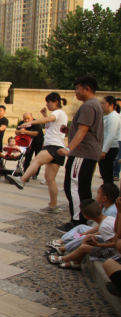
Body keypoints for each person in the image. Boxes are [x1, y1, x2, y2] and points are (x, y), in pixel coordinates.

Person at [56, 76, 104, 233]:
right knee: (82, 187)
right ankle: (86, 218)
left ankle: (77, 221)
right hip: (87, 152)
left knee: (74, 187)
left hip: (82, 153)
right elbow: (86, 131)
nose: (75, 92)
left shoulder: (89, 106)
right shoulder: (93, 105)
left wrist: (68, 148)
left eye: (77, 88)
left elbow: (83, 131)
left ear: (87, 89)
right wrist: (69, 131)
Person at [7, 93, 69, 213]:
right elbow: (51, 124)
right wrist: (45, 115)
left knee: (36, 161)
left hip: (53, 146)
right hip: (57, 148)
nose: (47, 104)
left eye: (49, 102)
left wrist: (32, 122)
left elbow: (50, 119)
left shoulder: (58, 112)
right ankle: (53, 205)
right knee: (50, 179)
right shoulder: (60, 114)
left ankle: (22, 180)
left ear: (56, 102)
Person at [47, 199, 118, 270]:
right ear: (100, 207)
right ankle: (62, 241)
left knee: (83, 245)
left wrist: (98, 245)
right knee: (84, 233)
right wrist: (86, 233)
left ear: (86, 216)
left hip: (113, 254)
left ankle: (63, 256)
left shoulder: (104, 225)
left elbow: (115, 243)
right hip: (109, 245)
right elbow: (99, 228)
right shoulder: (109, 218)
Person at [100, 96, 121, 184]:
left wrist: (104, 151)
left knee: (107, 174)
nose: (102, 105)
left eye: (104, 103)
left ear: (111, 105)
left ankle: (109, 194)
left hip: (110, 149)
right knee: (105, 173)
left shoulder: (113, 117)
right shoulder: (108, 116)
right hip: (106, 148)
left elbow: (111, 135)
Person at [15, 112, 44, 178]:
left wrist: (24, 131)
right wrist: (20, 131)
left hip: (37, 142)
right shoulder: (22, 123)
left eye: (28, 118)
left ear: (32, 118)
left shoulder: (36, 123)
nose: (26, 120)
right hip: (27, 143)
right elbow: (16, 131)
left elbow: (35, 133)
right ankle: (26, 172)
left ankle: (35, 174)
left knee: (37, 158)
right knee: (27, 157)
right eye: (25, 119)